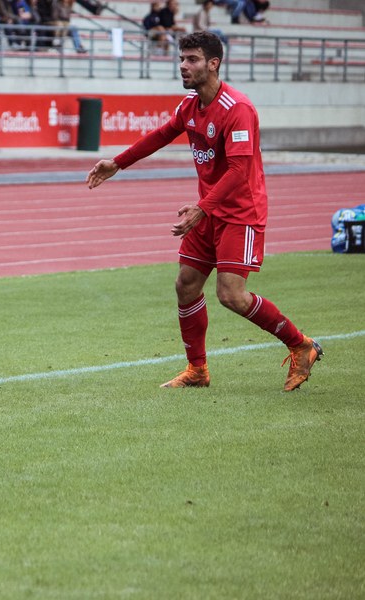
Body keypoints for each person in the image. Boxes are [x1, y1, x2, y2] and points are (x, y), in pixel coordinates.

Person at [86, 31, 322, 392]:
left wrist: (202, 207)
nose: (183, 65)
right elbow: (161, 135)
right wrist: (117, 163)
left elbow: (239, 170)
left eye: (192, 59)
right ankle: (197, 369)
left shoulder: (237, 109)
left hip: (240, 213)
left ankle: (301, 344)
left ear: (213, 64)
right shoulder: (189, 106)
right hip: (207, 210)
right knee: (186, 284)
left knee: (231, 295)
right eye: (182, 58)